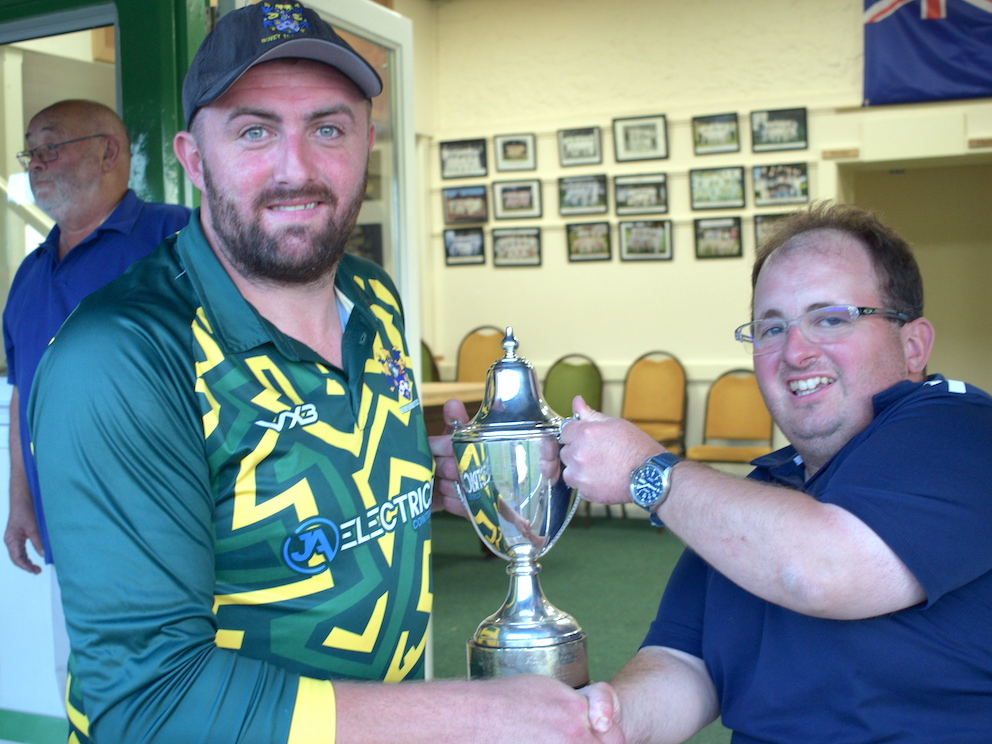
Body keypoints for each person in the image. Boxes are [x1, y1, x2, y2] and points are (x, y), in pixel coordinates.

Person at [28, 4, 617, 743]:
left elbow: (311, 474)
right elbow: (148, 703)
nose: (296, 169)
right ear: (191, 158)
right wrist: (477, 713)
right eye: (254, 131)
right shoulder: (123, 356)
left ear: (367, 143)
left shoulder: (372, 296)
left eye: (329, 128)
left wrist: (421, 478)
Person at [545, 201, 992, 742]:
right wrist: (602, 720)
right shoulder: (764, 494)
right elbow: (686, 663)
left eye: (831, 318)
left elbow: (820, 568)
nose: (795, 352)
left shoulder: (962, 430)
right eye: (771, 328)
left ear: (914, 343)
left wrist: (647, 470)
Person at [4, 99, 190, 574]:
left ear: (109, 152)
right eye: (31, 152)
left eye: (51, 145)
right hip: (68, 537)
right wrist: (20, 501)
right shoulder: (30, 273)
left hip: (174, 536)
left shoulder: (181, 239)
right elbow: (24, 395)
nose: (37, 163)